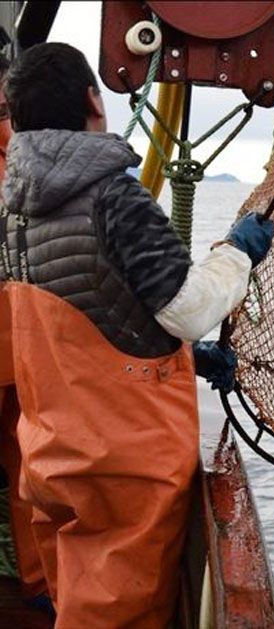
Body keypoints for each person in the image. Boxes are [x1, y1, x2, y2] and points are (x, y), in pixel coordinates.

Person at [0, 42, 274, 627]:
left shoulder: (11, 207)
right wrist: (236, 253)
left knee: (70, 595)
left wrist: (182, 357)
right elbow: (190, 308)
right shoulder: (115, 197)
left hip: (50, 454)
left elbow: (84, 309)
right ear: (93, 102)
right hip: (123, 467)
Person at [0, 51, 51, 614]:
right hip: (20, 342)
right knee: (29, 469)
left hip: (17, 340)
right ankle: (40, 584)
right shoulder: (23, 150)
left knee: (27, 467)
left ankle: (40, 583)